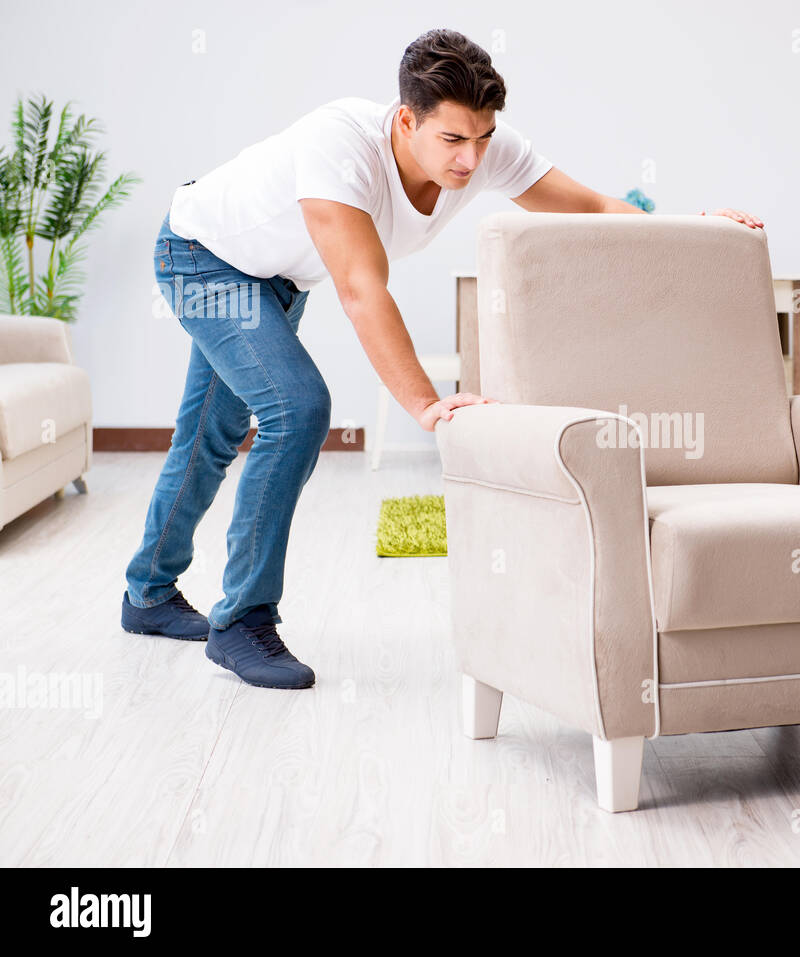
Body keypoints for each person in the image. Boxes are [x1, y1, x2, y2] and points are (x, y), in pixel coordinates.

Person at [121, 27, 763, 690]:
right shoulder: (339, 146)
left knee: (210, 437)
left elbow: (594, 208)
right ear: (406, 120)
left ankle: (146, 594)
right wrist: (426, 404)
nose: (469, 160)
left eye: (482, 138)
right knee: (298, 407)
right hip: (203, 258)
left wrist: (696, 227)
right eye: (452, 140)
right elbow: (361, 289)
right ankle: (242, 621)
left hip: (275, 278)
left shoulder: (485, 149)